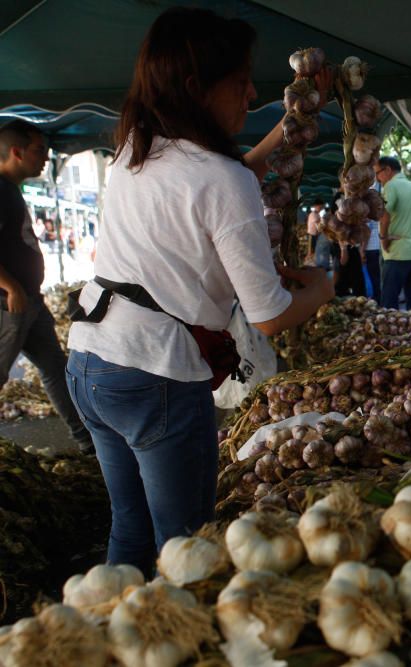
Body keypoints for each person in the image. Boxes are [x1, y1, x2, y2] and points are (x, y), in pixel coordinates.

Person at [64, 7, 336, 574]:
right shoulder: (221, 179)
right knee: (185, 544)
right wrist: (323, 289)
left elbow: (220, 182)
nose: (252, 92)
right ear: (196, 88)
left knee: (130, 528)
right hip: (155, 377)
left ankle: (119, 636)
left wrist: (291, 124)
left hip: (92, 361)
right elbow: (268, 317)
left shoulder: (136, 147)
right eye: (240, 82)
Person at [0, 120, 92, 452]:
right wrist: (11, 288)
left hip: (29, 301)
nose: (45, 158)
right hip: (10, 303)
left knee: (55, 368)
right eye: (40, 151)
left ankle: (85, 439)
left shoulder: (11, 190)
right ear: (15, 151)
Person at [375, 156, 411, 310]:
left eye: (378, 173)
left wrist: (383, 238)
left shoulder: (391, 186)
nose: (377, 178)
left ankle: (388, 334)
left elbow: (384, 214)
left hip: (398, 252)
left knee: (389, 302)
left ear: (388, 170)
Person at [364, 215, 381, 303]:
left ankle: (377, 297)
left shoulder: (368, 218)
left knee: (374, 275)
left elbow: (367, 234)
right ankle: (379, 295)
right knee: (377, 275)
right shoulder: (377, 217)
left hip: (370, 249)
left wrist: (362, 249)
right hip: (378, 248)